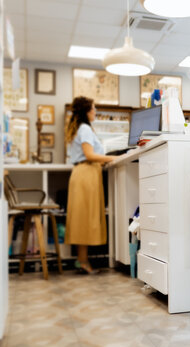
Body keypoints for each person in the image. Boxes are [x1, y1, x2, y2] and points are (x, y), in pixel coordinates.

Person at [65, 96, 117, 274]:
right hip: (86, 174)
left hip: (82, 174)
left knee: (83, 218)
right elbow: (89, 155)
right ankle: (83, 261)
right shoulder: (85, 128)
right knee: (86, 218)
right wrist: (114, 158)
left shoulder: (78, 128)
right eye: (94, 109)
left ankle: (82, 260)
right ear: (87, 111)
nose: (95, 112)